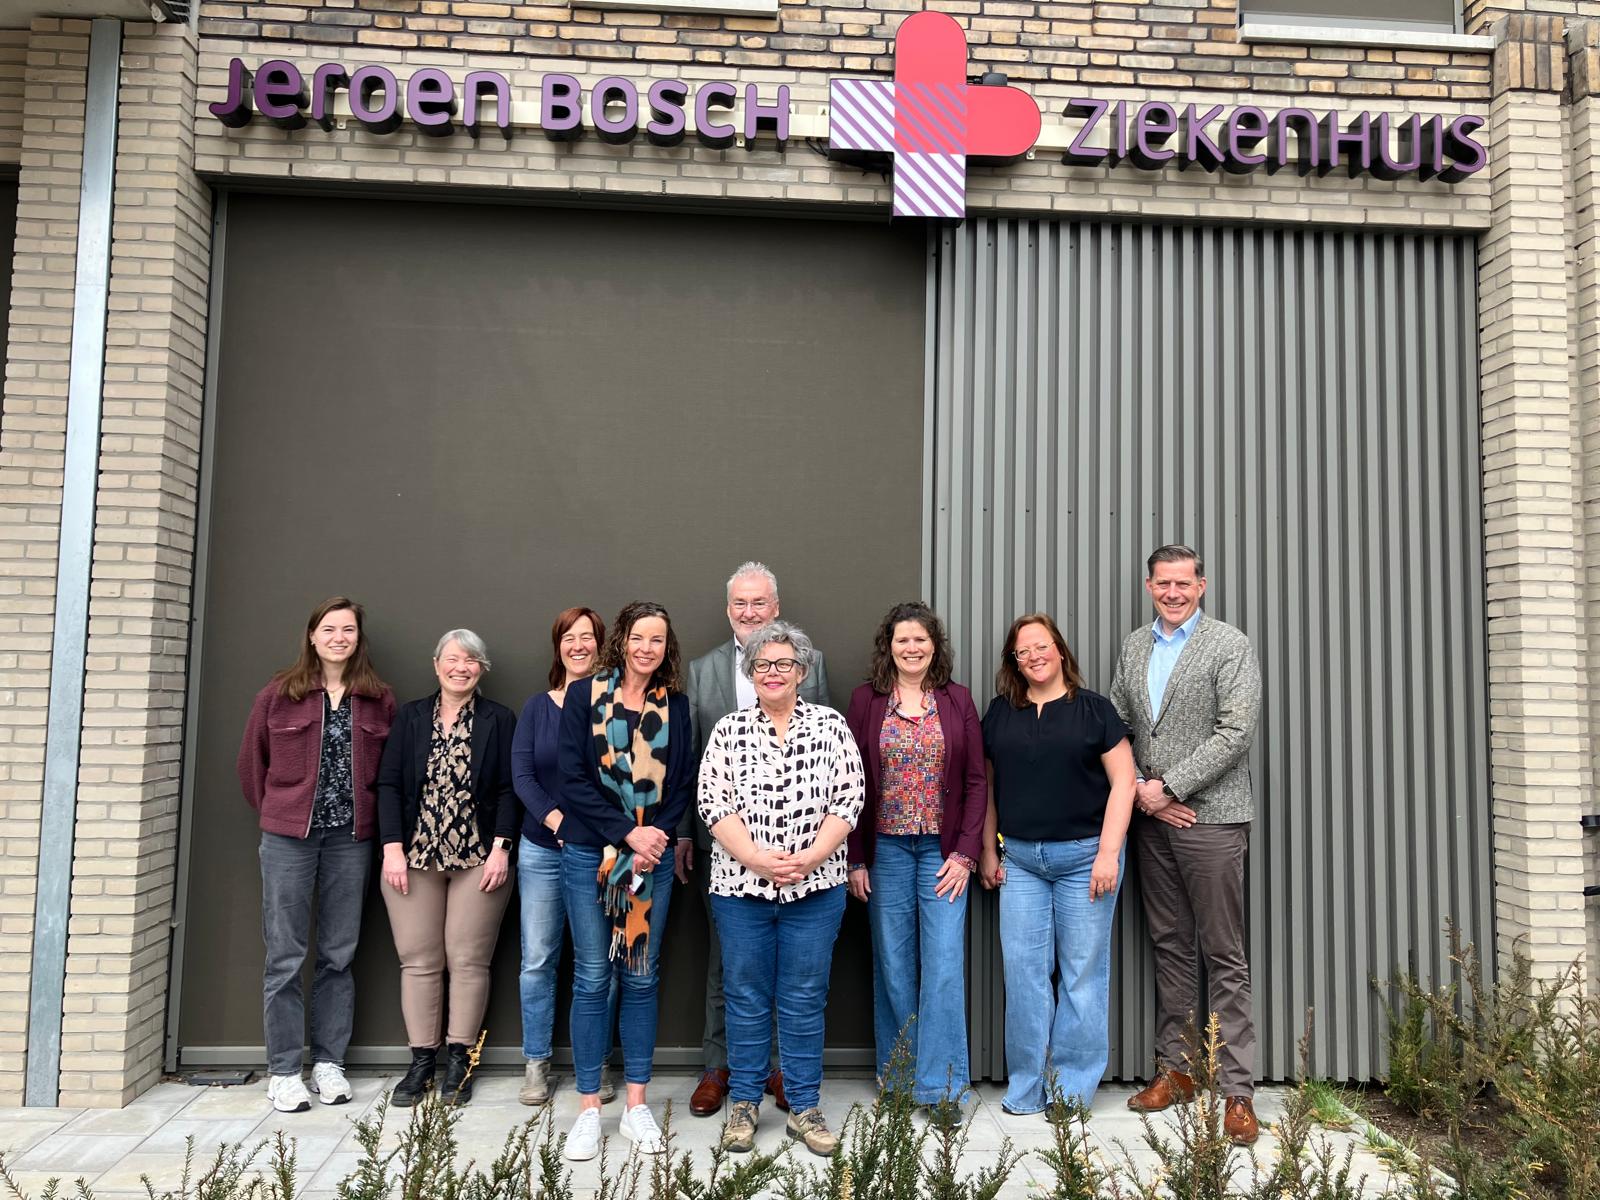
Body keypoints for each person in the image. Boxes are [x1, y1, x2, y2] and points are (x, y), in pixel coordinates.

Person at [1108, 545, 1263, 1145]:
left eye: (1183, 583)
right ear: (1149, 586)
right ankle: (1177, 1071)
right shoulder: (1134, 646)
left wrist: (1167, 787)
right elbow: (1119, 725)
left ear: (1201, 585)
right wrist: (1143, 795)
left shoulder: (1229, 644)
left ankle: (1238, 1092)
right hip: (1152, 823)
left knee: (1224, 952)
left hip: (1211, 820)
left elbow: (1235, 731)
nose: (1172, 592)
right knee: (1170, 946)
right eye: (1162, 583)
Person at [699, 620, 864, 1158]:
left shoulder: (831, 727)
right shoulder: (728, 731)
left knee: (804, 998)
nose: (774, 672)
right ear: (751, 672)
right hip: (739, 889)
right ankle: (745, 1104)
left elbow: (849, 799)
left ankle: (804, 1107)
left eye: (784, 664)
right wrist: (754, 858)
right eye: (763, 664)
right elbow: (713, 803)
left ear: (802, 671)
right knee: (745, 997)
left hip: (815, 890)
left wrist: (811, 857)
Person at [678, 561, 831, 1117]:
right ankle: (720, 1067)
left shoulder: (811, 663)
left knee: (793, 968)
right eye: (740, 603)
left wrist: (810, 848)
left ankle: (780, 1069)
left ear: (776, 606)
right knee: (728, 962)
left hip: (799, 849)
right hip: (724, 846)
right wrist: (684, 833)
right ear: (728, 611)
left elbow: (828, 756)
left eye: (759, 602)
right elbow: (689, 759)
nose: (749, 612)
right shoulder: (702, 670)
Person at [238, 596, 395, 1114]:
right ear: (312, 636)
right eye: (329, 629)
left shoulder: (378, 699)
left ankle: (329, 1062)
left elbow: (389, 774)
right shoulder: (278, 694)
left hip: (351, 839)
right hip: (289, 840)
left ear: (358, 639)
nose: (338, 638)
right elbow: (251, 767)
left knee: (338, 955)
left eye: (348, 630)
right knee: (284, 956)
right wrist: (281, 815)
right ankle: (284, 1071)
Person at [978, 612, 1136, 1115]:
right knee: (1024, 974)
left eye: (1041, 646)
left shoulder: (1094, 710)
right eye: (1022, 651)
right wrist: (988, 850)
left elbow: (1125, 783)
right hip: (1021, 861)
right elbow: (987, 788)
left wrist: (1109, 852)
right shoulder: (1000, 713)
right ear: (1014, 661)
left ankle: (1069, 1090)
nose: (1034, 656)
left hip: (1086, 859)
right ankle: (1027, 1085)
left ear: (1060, 650)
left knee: (1081, 975)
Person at [557, 601, 694, 1160]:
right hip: (590, 855)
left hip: (650, 860)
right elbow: (571, 779)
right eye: (639, 637)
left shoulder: (675, 704)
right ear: (622, 639)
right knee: (593, 977)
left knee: (640, 977)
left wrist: (652, 838)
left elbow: (683, 781)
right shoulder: (583, 695)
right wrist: (626, 833)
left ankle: (636, 1105)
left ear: (666, 647)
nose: (646, 648)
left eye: (657, 640)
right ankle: (590, 1109)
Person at [844, 601, 984, 1109]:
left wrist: (966, 853)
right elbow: (850, 782)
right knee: (893, 965)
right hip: (885, 850)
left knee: (943, 965)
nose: (912, 648)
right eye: (902, 639)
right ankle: (900, 1080)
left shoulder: (956, 699)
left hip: (941, 853)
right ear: (889, 646)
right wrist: (855, 858)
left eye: (920, 639)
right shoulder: (866, 700)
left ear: (934, 646)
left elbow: (976, 781)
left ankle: (943, 1089)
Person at [376, 628, 519, 1108]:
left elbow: (509, 789)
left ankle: (460, 1060)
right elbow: (389, 784)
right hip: (413, 859)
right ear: (437, 664)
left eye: (471, 660)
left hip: (479, 860)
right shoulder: (411, 716)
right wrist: (392, 847)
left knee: (468, 960)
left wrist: (501, 848)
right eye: (453, 659)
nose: (462, 667)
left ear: (482, 669)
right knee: (419, 961)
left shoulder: (499, 719)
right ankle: (421, 1062)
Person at [510, 606, 617, 1108]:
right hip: (543, 850)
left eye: (587, 636)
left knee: (600, 963)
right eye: (568, 637)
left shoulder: (615, 707)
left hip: (600, 852)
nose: (578, 645)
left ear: (601, 644)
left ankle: (595, 1063)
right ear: (558, 646)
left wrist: (589, 832)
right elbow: (523, 777)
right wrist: (560, 824)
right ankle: (536, 1062)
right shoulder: (538, 707)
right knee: (538, 959)